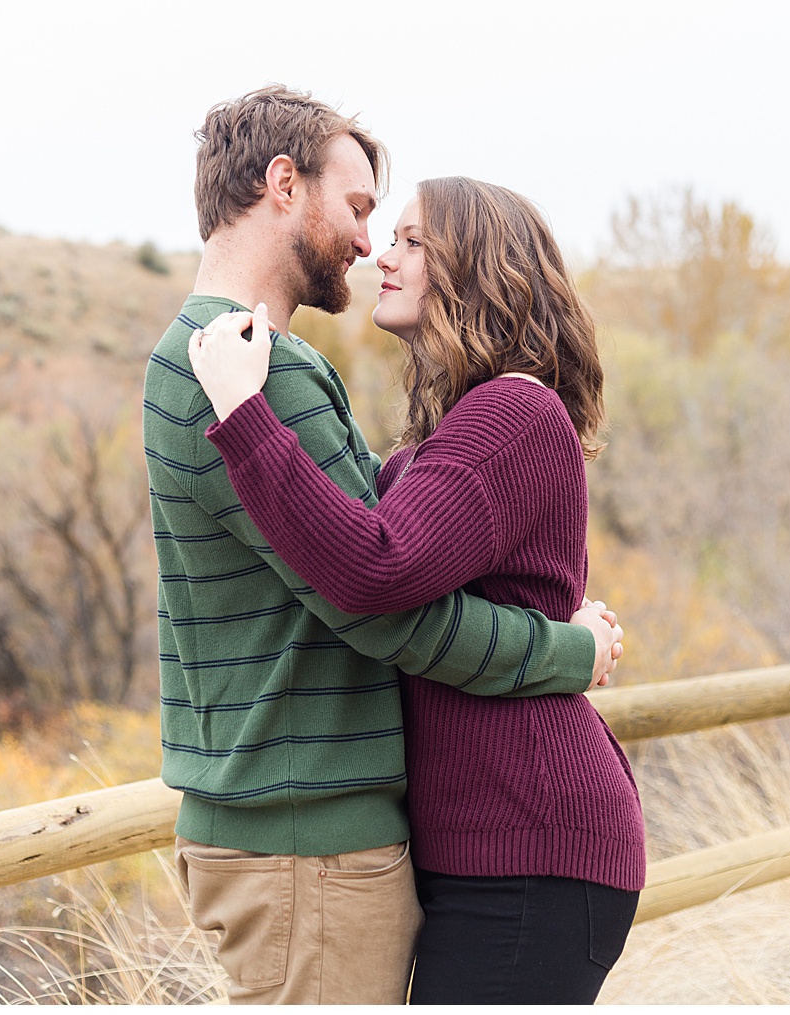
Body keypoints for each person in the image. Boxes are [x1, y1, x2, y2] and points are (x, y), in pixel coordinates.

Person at [144, 86, 625, 1005]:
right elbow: (380, 591)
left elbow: (378, 556)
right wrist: (571, 649)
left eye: (402, 235)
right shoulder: (247, 368)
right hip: (307, 836)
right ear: (283, 185)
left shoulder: (234, 362)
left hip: (466, 832)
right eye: (364, 213)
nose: (371, 247)